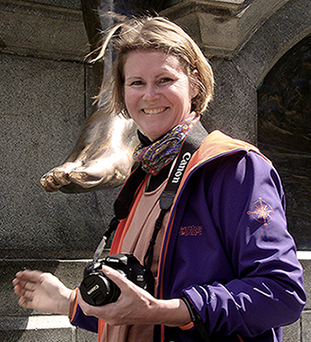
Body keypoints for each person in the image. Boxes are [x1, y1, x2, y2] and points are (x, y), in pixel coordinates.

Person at [13, 16, 306, 342]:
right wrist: (70, 302)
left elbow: (282, 294)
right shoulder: (144, 174)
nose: (149, 95)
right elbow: (138, 315)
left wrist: (163, 311)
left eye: (164, 79)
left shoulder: (234, 168)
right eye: (136, 83)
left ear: (194, 84)